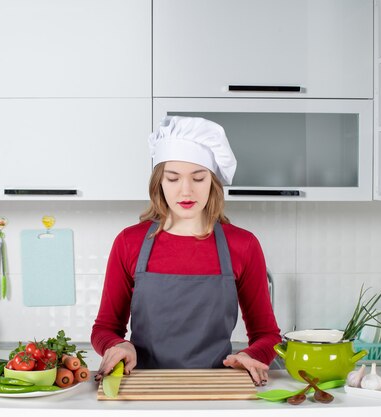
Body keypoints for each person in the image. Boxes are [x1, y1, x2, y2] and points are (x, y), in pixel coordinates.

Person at [91, 116, 281, 386]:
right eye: (173, 178)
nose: (186, 190)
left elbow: (267, 334)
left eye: (198, 178)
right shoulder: (128, 242)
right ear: (159, 182)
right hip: (141, 387)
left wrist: (250, 355)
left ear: (213, 182)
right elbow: (104, 328)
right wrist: (120, 346)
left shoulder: (243, 245)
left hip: (216, 389)